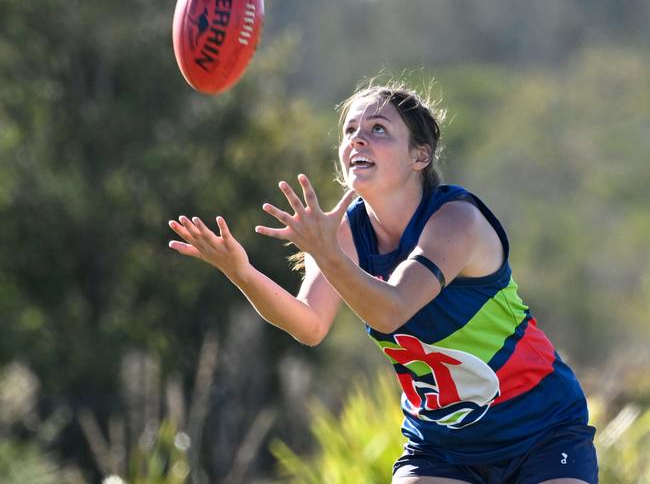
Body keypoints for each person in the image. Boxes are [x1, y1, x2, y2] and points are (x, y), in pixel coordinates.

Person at [168, 81, 598, 484]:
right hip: (441, 445)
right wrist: (241, 271)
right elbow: (309, 325)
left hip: (543, 428)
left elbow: (391, 310)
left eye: (378, 129)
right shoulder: (343, 236)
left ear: (420, 156)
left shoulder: (455, 220)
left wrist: (327, 253)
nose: (358, 138)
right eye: (351, 129)